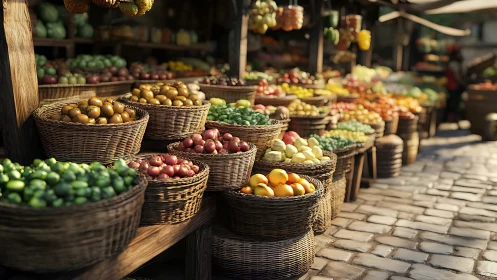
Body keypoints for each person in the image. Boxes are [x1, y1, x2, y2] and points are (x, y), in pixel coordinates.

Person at [444, 46, 465, 123]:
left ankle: (452, 118)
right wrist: (462, 83)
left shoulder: (452, 63)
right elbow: (457, 76)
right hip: (453, 86)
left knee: (453, 102)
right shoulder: (454, 64)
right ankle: (452, 119)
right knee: (454, 103)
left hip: (451, 85)